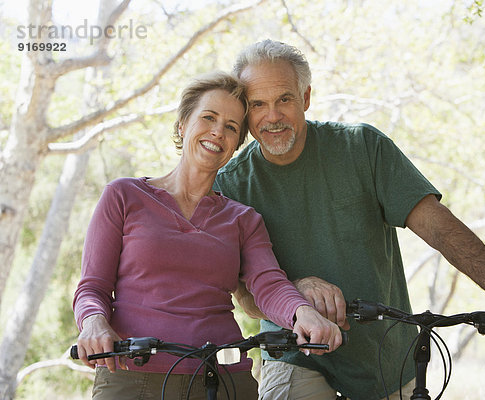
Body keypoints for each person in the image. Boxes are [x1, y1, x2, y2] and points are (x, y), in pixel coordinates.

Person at [213, 40, 485, 400]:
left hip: (385, 351)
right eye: (258, 104)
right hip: (296, 352)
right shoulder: (229, 184)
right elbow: (246, 296)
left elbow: (437, 225)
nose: (272, 116)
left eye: (284, 99)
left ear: (305, 98)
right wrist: (297, 291)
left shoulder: (362, 147)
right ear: (244, 111)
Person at [73, 71, 342, 400]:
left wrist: (304, 313)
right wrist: (94, 323)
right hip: (134, 374)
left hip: (223, 379)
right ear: (183, 125)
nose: (218, 131)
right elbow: (92, 287)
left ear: (235, 145)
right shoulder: (124, 196)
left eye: (231, 127)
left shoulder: (243, 219)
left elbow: (269, 285)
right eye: (209, 117)